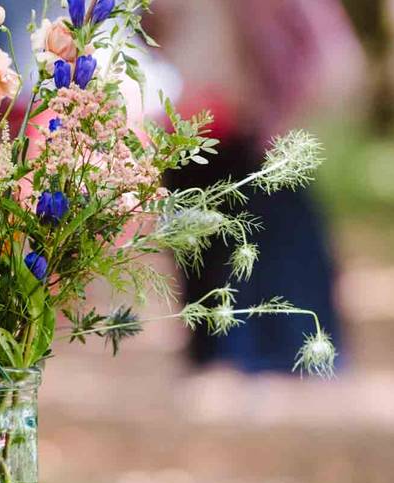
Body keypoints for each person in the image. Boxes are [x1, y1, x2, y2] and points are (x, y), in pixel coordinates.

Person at [148, 0, 365, 373]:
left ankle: (271, 355)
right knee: (201, 249)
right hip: (184, 134)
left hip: (244, 132)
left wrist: (280, 119)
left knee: (261, 247)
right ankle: (217, 354)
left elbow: (333, 58)